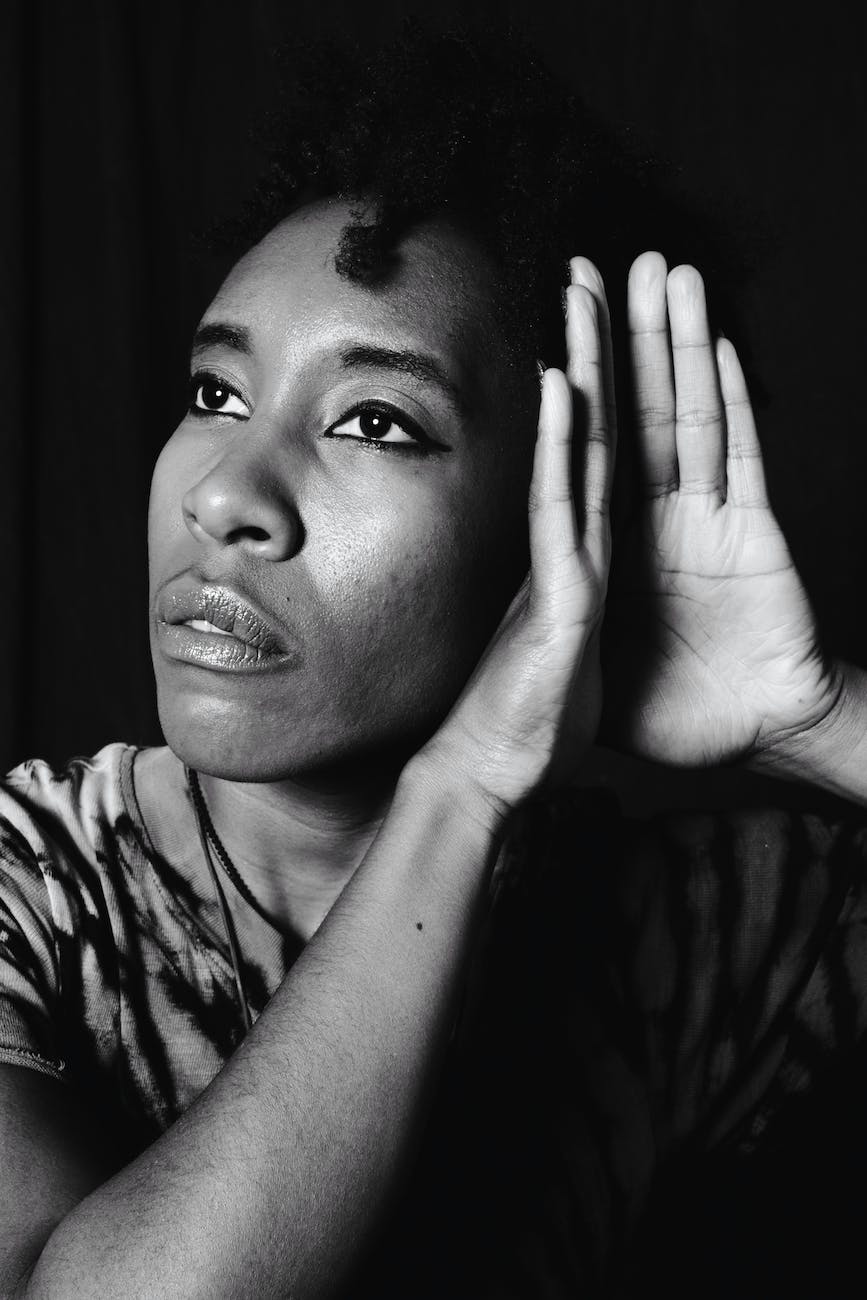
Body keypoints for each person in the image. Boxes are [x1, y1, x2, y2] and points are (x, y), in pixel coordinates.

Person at [2, 24, 866, 1299]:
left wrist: (816, 716)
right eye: (216, 394)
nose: (229, 494)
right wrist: (458, 787)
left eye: (375, 419)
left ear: (551, 532)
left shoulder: (656, 928)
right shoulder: (35, 888)